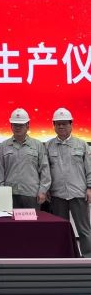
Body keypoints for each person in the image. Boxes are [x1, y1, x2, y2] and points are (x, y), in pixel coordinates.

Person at [46, 108, 91, 257]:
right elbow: (45, 170)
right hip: (57, 195)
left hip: (78, 193)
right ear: (54, 125)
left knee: (84, 229)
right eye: (58, 124)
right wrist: (46, 189)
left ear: (71, 124)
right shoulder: (48, 146)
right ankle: (65, 257)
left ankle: (88, 257)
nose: (61, 126)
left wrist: (89, 188)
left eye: (64, 123)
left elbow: (89, 168)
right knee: (61, 230)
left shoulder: (82, 145)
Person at [0, 108, 50, 209]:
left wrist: (43, 191)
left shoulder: (37, 145)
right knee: (10, 220)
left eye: (21, 125)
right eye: (15, 125)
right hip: (10, 194)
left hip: (32, 194)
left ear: (27, 126)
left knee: (32, 220)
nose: (18, 128)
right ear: (11, 126)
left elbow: (45, 169)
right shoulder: (4, 146)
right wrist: (2, 192)